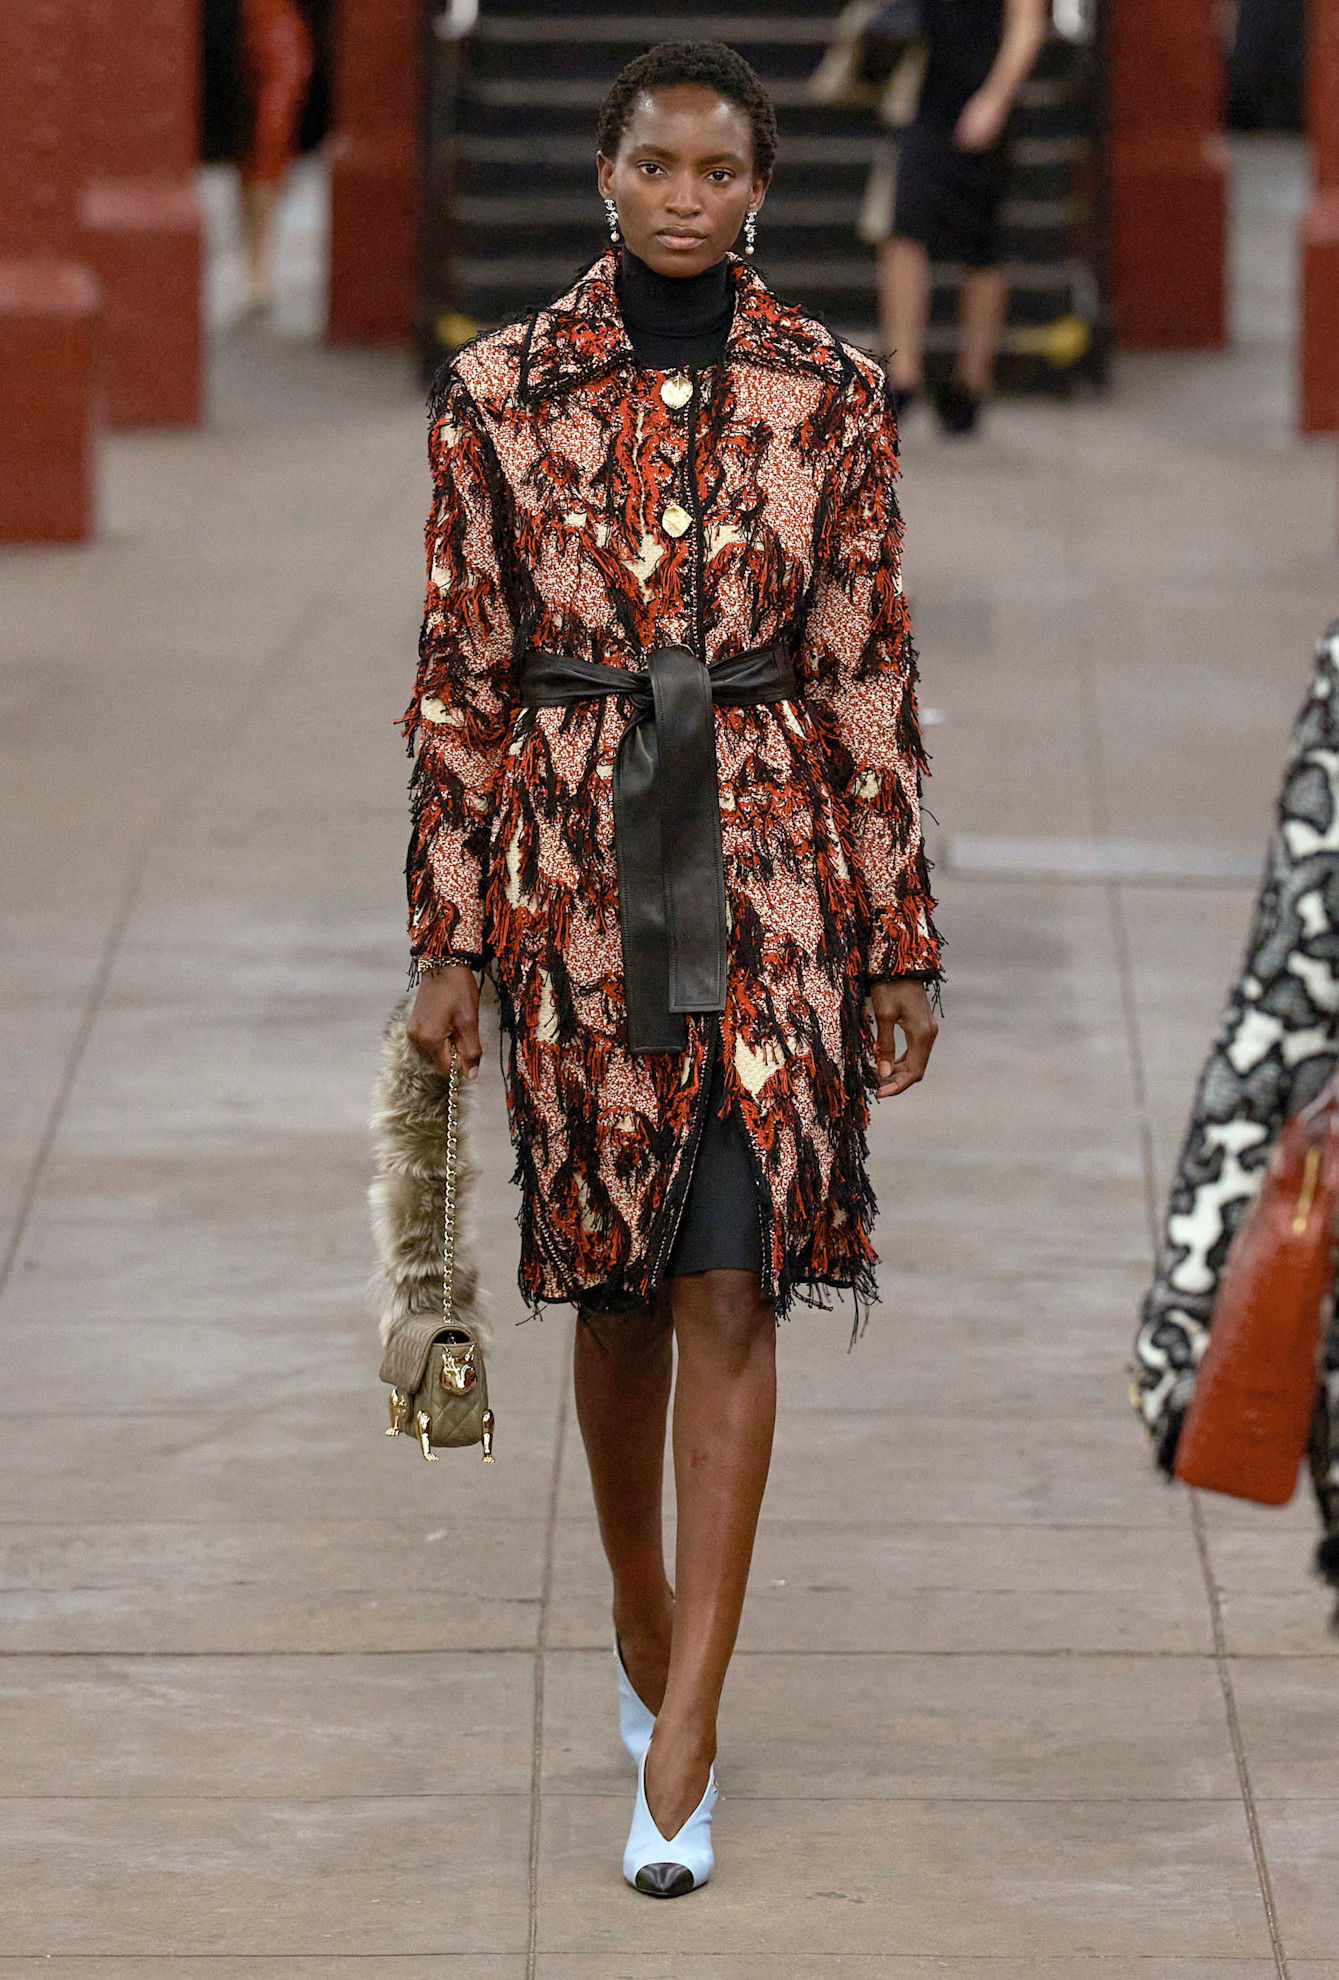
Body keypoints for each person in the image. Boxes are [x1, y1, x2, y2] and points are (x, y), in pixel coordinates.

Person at [403, 40, 941, 1896]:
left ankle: (687, 1722)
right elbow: (461, 677)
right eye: (657, 164)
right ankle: (638, 1598)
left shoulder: (829, 394)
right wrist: (446, 936)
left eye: (722, 168)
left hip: (778, 865)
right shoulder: (494, 393)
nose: (688, 195)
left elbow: (867, 666)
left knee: (731, 1281)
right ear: (606, 178)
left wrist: (893, 943)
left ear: (761, 188)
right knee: (616, 1296)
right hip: (566, 877)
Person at [881, 0, 1047, 433]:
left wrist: (995, 99)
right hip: (928, 94)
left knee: (981, 244)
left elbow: (1026, 25)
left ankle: (972, 383)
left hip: (984, 97)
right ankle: (903, 376)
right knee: (904, 228)